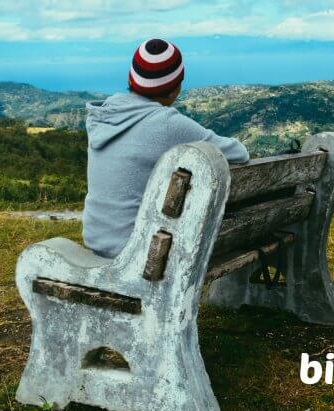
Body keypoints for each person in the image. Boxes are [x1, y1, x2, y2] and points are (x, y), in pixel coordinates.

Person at [82, 38, 249, 258]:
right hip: (138, 250)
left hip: (96, 240)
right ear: (175, 89)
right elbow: (240, 154)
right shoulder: (166, 124)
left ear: (130, 78)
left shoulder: (104, 115)